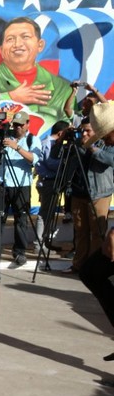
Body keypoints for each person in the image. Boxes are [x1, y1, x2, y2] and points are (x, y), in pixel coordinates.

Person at [0, 16, 74, 140]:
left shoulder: (62, 89)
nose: (17, 44)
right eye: (10, 39)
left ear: (40, 45)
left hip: (39, 149)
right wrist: (9, 97)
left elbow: (69, 122)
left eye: (25, 37)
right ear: (1, 50)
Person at [0, 111, 42, 266]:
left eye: (20, 125)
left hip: (21, 185)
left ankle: (19, 252)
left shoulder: (32, 139)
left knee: (21, 219)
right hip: (2, 184)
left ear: (27, 124)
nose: (17, 128)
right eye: (15, 125)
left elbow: (34, 159)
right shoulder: (5, 137)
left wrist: (17, 147)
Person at [66, 102, 114, 273]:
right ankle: (78, 265)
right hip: (79, 191)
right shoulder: (78, 144)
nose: (84, 134)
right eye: (82, 131)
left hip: (99, 193)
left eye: (88, 131)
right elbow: (66, 161)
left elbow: (110, 160)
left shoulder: (106, 143)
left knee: (97, 232)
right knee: (80, 231)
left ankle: (94, 267)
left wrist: (92, 147)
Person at [34, 121, 71, 253]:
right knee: (44, 213)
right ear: (61, 133)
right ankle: (39, 244)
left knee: (49, 214)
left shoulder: (54, 143)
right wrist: (66, 162)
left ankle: (46, 242)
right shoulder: (47, 143)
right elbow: (50, 162)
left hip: (53, 181)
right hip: (47, 181)